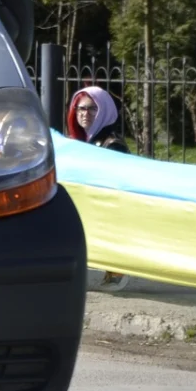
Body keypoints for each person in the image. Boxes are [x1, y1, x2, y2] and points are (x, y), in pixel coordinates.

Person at [68, 86, 132, 291]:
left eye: (91, 109)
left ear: (104, 110)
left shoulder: (112, 144)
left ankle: (117, 271)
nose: (85, 114)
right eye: (80, 109)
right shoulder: (80, 142)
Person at [67, 86, 128, 151]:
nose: (86, 114)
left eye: (93, 109)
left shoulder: (113, 145)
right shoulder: (74, 140)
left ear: (104, 111)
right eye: (82, 108)